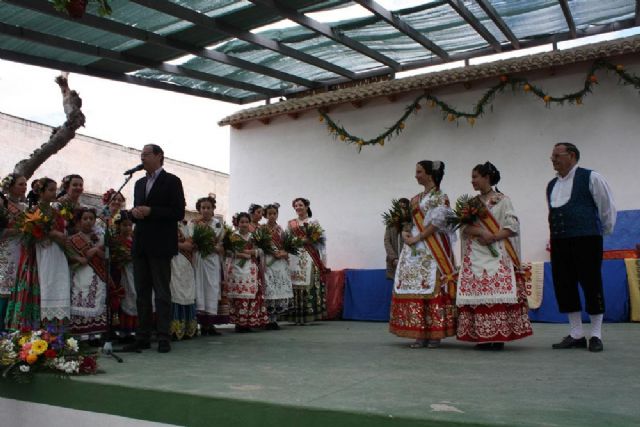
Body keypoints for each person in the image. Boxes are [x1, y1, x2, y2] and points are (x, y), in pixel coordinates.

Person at [455, 162, 533, 350]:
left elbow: (512, 226)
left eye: (475, 177)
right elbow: (464, 228)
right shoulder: (471, 204)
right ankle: (481, 336)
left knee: (496, 295)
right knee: (478, 295)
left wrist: (493, 236)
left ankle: (498, 336)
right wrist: (481, 232)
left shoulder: (503, 200)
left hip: (497, 252)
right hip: (476, 254)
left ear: (487, 177)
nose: (472, 181)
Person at [547, 142, 616, 353]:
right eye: (552, 157)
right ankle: (576, 333)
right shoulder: (551, 184)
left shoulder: (591, 177)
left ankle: (596, 334)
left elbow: (607, 207)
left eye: (557, 155)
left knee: (591, 283)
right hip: (560, 240)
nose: (553, 160)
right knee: (564, 285)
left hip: (587, 239)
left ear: (572, 156)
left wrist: (600, 230)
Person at [389, 161, 457, 348]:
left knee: (432, 286)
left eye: (419, 172)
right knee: (417, 286)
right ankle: (419, 332)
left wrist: (418, 237)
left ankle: (435, 333)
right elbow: (411, 222)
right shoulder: (415, 199)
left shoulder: (441, 196)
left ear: (429, 174)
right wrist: (406, 233)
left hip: (433, 248)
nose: (416, 175)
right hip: (415, 248)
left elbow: (437, 223)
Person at [125, 144, 185, 353]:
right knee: (141, 292)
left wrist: (151, 211)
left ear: (160, 157)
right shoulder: (139, 183)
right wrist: (134, 213)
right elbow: (136, 211)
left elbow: (178, 212)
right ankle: (142, 337)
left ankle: (163, 337)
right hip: (140, 243)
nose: (143, 158)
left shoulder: (172, 181)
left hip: (161, 244)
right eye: (141, 155)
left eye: (147, 155)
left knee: (161, 292)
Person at [67, 208, 109, 338]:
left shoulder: (101, 238)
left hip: (97, 275)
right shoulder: (72, 239)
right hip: (80, 274)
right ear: (79, 221)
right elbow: (69, 257)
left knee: (96, 299)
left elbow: (107, 256)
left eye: (91, 218)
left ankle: (96, 335)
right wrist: (79, 259)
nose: (89, 221)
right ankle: (82, 334)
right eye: (85, 219)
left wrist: (96, 251)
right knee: (81, 297)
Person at [286, 198, 328, 325]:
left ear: (307, 206)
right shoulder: (291, 223)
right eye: (296, 206)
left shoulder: (313, 222)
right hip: (294, 257)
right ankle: (296, 315)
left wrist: (310, 241)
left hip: (309, 256)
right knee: (295, 283)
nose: (298, 207)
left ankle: (308, 314)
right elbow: (286, 239)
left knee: (308, 283)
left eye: (300, 205)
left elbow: (321, 241)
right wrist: (295, 242)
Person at [225, 212, 269, 332]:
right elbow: (228, 251)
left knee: (252, 295)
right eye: (241, 222)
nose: (244, 224)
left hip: (251, 269)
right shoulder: (233, 236)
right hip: (236, 269)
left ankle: (248, 322)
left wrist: (249, 253)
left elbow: (260, 251)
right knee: (238, 296)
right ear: (237, 223)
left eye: (246, 222)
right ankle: (239, 324)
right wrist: (240, 254)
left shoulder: (254, 236)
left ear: (249, 223)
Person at [191, 196, 226, 335]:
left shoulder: (217, 224)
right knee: (200, 288)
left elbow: (221, 243)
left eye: (208, 208)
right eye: (203, 208)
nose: (206, 210)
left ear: (213, 209)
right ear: (199, 209)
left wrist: (218, 248)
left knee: (212, 288)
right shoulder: (194, 223)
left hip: (212, 260)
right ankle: (199, 324)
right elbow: (192, 241)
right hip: (199, 259)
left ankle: (210, 324)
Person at [0, 173, 27, 330]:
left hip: (21, 251)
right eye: (20, 184)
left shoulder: (24, 208)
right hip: (5, 251)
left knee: (15, 288)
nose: (24, 187)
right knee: (4, 287)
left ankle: (11, 327)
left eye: (25, 184)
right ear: (10, 186)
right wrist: (15, 230)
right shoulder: (2, 205)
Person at [262, 203, 293, 329]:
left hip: (280, 262)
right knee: (269, 288)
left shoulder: (281, 230)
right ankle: (267, 319)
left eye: (274, 213)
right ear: (266, 215)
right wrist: (272, 252)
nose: (272, 216)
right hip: (269, 261)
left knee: (278, 289)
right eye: (270, 213)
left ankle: (274, 319)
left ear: (277, 214)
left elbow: (287, 245)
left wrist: (284, 253)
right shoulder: (262, 229)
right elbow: (259, 245)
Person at [169, 222, 198, 340]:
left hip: (187, 264)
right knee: (174, 292)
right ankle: (174, 329)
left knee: (187, 292)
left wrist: (192, 244)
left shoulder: (188, 226)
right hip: (172, 261)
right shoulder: (164, 223)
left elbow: (193, 242)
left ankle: (188, 328)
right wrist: (181, 246)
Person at [383, 198, 411, 280]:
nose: (402, 210)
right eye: (400, 207)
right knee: (395, 287)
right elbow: (387, 241)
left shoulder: (411, 224)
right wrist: (394, 258)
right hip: (393, 263)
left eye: (404, 207)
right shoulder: (390, 224)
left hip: (408, 261)